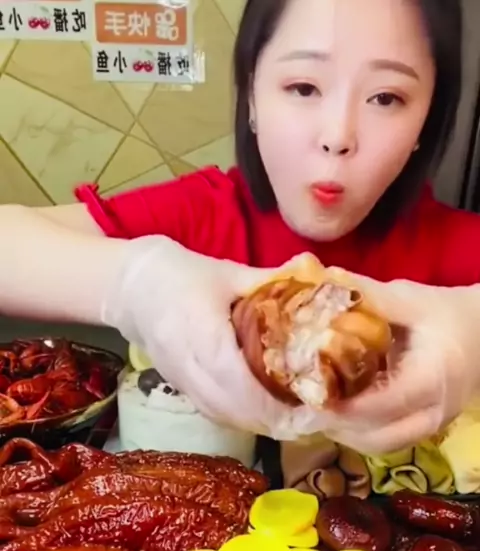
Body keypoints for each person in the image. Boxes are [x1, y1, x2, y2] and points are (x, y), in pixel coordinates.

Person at [3, 0, 480, 453]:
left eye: (386, 97)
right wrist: (132, 282)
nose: (338, 136)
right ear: (251, 95)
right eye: (304, 88)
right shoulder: (201, 214)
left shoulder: (454, 245)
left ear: (427, 119)